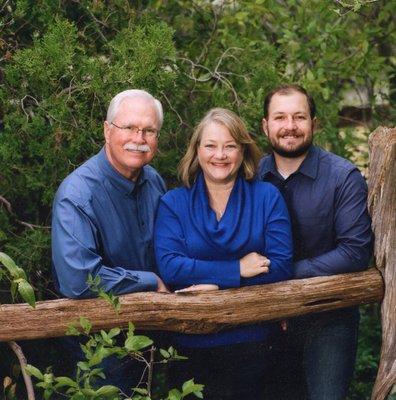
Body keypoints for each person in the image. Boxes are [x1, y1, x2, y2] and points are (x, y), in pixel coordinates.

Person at [154, 108, 293, 400]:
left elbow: (280, 266)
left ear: (243, 151)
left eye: (230, 146)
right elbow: (170, 267)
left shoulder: (267, 197)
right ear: (196, 151)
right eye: (211, 146)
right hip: (190, 345)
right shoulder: (173, 203)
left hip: (256, 344)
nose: (220, 155)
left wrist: (217, 285)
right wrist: (237, 270)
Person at [258, 84, 373, 400]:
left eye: (299, 117)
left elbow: (354, 252)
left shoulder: (342, 177)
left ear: (314, 124)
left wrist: (285, 274)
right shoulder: (251, 176)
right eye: (280, 117)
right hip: (265, 317)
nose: (290, 126)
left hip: (328, 319)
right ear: (265, 125)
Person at [51, 89, 168, 394]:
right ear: (107, 130)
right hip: (100, 346)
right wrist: (150, 280)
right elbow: (79, 279)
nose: (138, 138)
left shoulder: (153, 181)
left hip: (153, 334)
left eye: (149, 130)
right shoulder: (77, 195)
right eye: (129, 127)